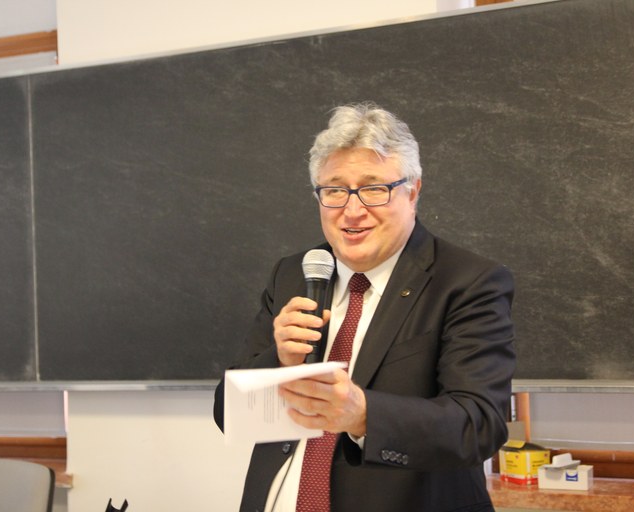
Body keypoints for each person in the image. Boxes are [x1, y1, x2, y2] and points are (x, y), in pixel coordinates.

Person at [213, 102, 515, 512]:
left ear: (413, 191)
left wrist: (364, 415)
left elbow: (478, 425)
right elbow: (228, 414)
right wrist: (279, 360)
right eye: (335, 190)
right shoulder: (293, 274)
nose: (352, 211)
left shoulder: (466, 281)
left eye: (374, 189)